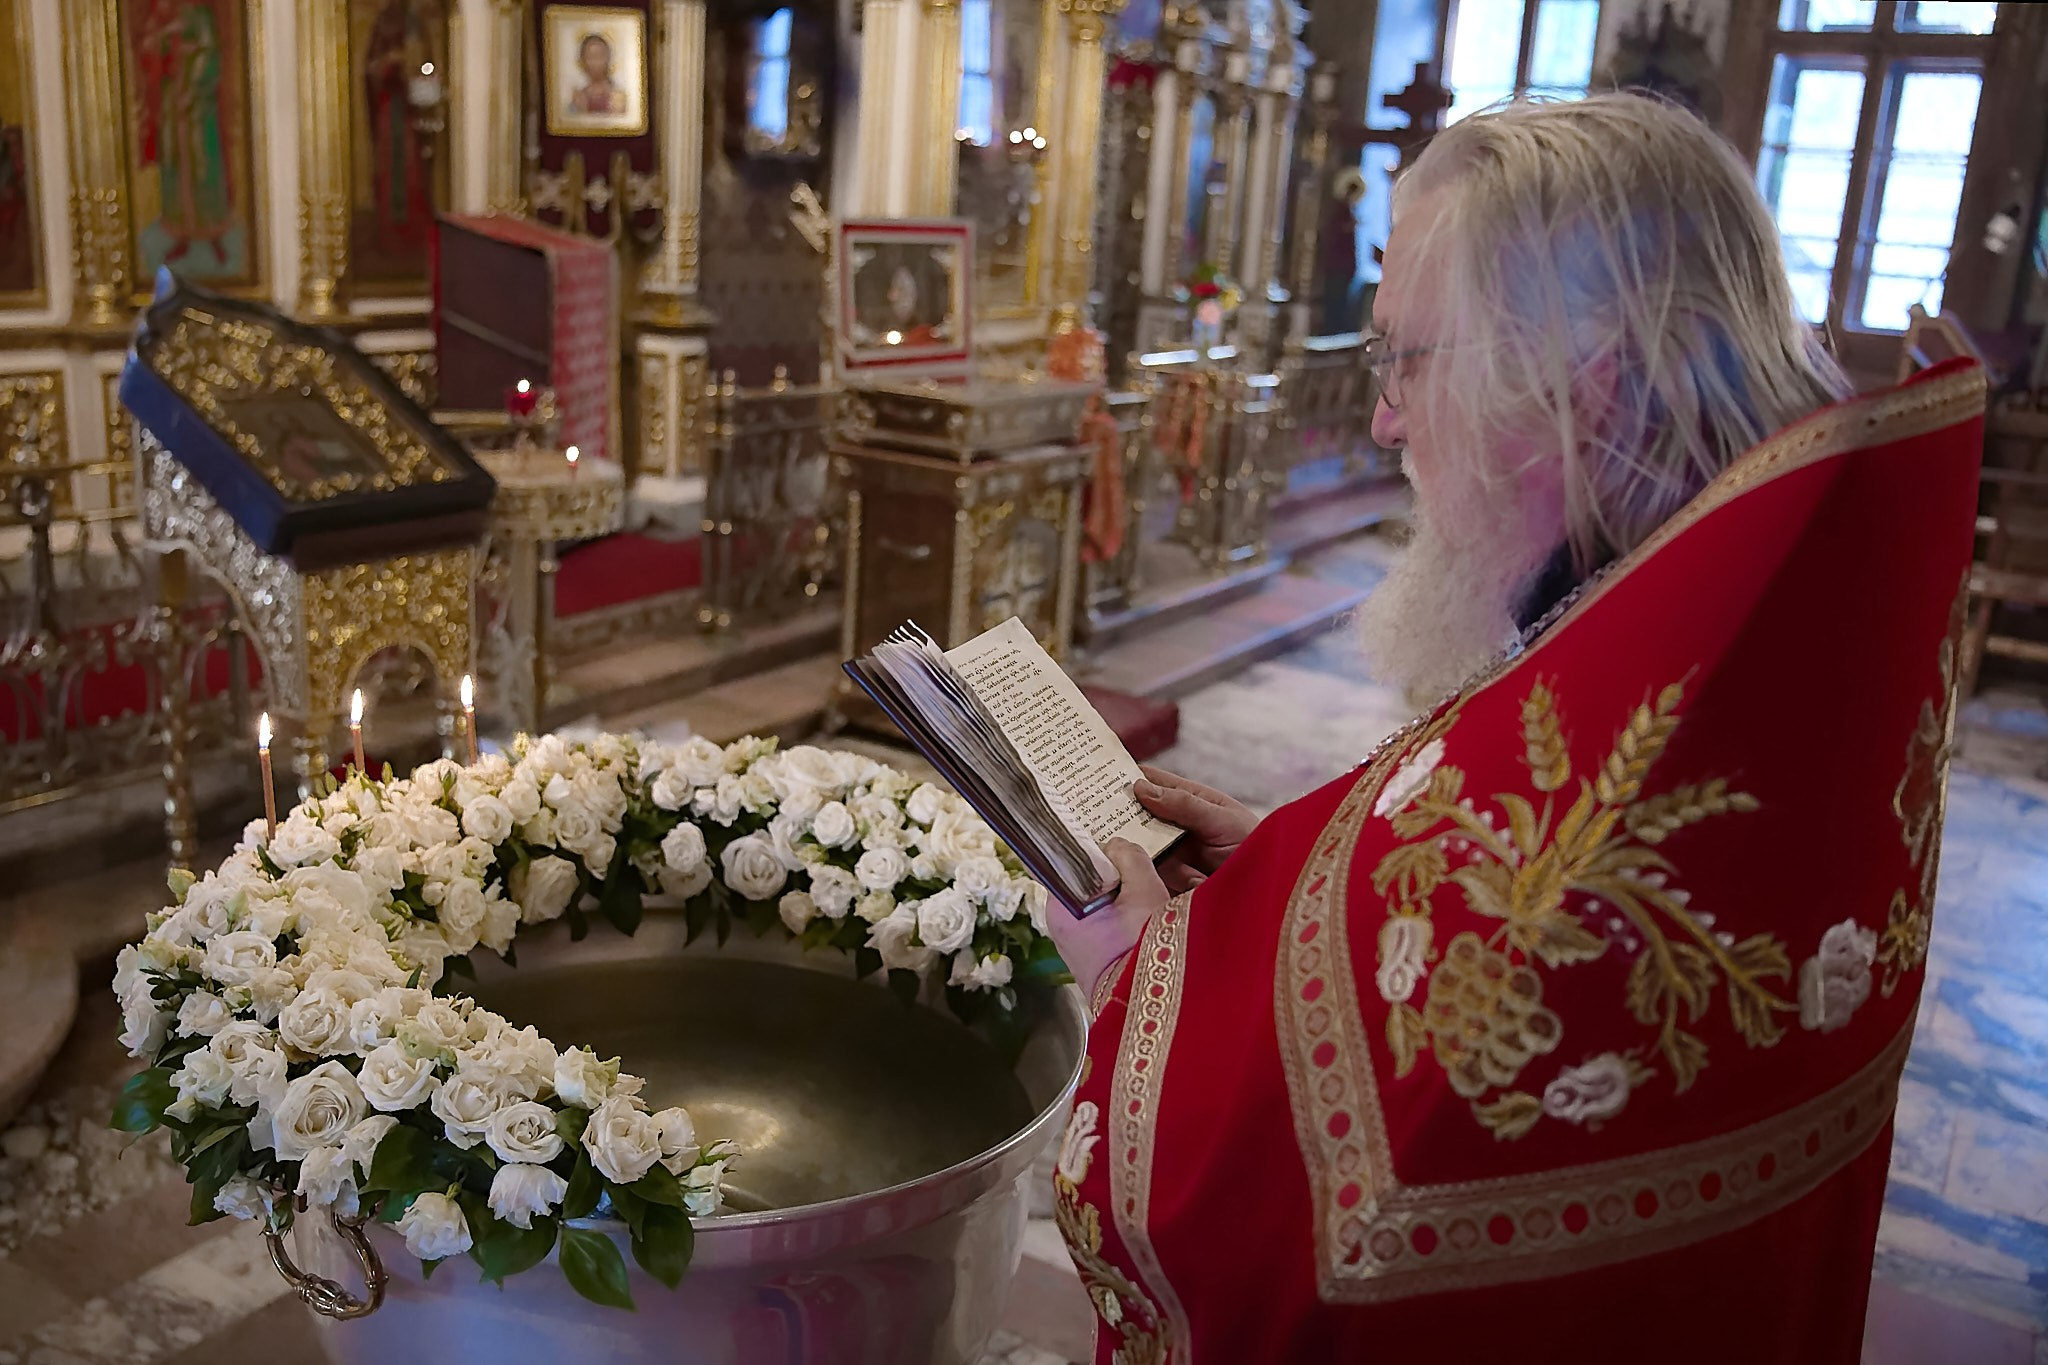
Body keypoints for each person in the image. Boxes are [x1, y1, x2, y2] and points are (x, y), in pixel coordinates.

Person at [1043, 93, 1986, 1364]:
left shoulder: (1662, 721)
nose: (1382, 419)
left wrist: (1134, 971)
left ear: (1573, 380)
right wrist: (1304, 862)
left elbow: (1291, 1215)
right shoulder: (1737, 643)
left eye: (1403, 359)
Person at [568, 33, 627, 117]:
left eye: (600, 56)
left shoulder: (618, 97)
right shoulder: (578, 98)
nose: (595, 62)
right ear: (582, 61)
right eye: (590, 57)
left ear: (608, 58)